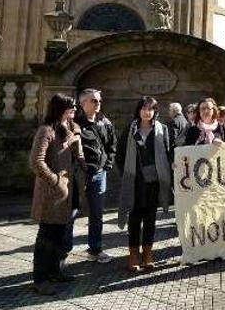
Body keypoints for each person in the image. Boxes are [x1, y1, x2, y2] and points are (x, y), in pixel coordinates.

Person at [30, 94, 84, 295]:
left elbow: (75, 151)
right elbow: (36, 161)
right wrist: (55, 181)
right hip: (50, 193)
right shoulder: (46, 130)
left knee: (60, 235)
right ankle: (40, 279)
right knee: (46, 236)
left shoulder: (68, 128)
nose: (74, 110)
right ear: (59, 108)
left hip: (66, 192)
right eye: (70, 107)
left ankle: (55, 272)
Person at [116, 96, 173, 272]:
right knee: (134, 218)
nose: (147, 112)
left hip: (154, 182)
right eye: (144, 108)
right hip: (135, 181)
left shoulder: (162, 129)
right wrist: (126, 174)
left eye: (151, 109)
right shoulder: (130, 129)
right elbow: (120, 155)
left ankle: (147, 252)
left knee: (150, 219)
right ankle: (133, 254)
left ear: (155, 111)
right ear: (139, 110)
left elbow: (169, 153)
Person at [74, 89, 116, 264]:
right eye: (94, 101)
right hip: (79, 175)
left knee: (97, 214)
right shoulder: (75, 123)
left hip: (99, 174)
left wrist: (107, 164)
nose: (98, 104)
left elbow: (111, 144)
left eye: (99, 100)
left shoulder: (104, 122)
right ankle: (62, 252)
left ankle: (95, 249)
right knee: (71, 213)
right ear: (83, 103)